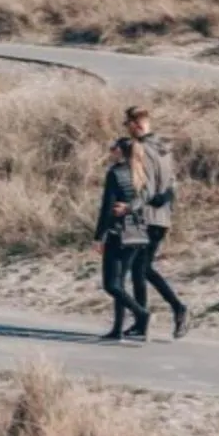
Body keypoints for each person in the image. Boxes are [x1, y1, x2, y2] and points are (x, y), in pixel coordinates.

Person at [119, 106, 189, 339]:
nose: (127, 129)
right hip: (163, 216)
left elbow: (141, 186)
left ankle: (154, 315)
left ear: (137, 124)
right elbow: (172, 184)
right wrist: (166, 199)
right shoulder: (165, 148)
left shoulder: (138, 149)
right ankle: (158, 314)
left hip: (145, 215)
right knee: (143, 267)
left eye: (128, 124)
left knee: (140, 269)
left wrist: (130, 207)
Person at [94, 138, 157, 341]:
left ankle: (141, 314)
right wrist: (131, 208)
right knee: (120, 283)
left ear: (121, 151)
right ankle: (117, 329)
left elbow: (107, 208)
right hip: (138, 233)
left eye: (113, 147)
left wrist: (99, 237)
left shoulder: (116, 172)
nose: (110, 151)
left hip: (118, 233)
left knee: (111, 285)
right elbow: (149, 198)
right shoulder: (140, 171)